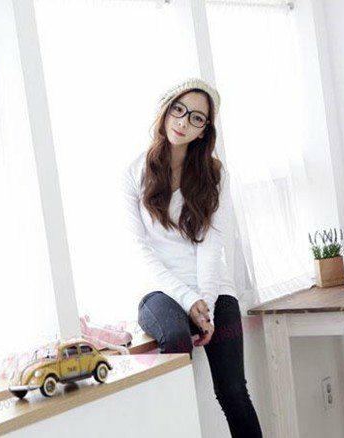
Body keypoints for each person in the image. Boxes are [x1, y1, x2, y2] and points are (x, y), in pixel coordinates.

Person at [121, 77, 263, 438]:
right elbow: (140, 250)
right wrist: (188, 299)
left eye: (196, 118)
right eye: (178, 110)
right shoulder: (134, 173)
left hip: (213, 288)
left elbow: (212, 244)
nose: (183, 122)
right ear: (166, 111)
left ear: (204, 130)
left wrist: (207, 304)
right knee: (175, 337)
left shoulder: (214, 174)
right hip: (161, 290)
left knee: (233, 392)